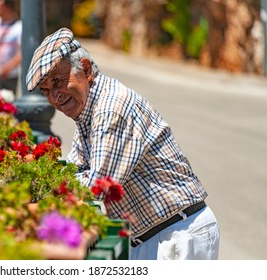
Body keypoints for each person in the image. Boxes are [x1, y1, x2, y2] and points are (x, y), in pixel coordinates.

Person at [26, 28, 220, 260]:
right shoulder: (87, 110)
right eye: (46, 91)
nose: (54, 97)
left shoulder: (111, 108)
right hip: (152, 236)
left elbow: (97, 187)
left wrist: (36, 192)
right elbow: (75, 169)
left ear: (86, 69)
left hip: (177, 235)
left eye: (58, 82)